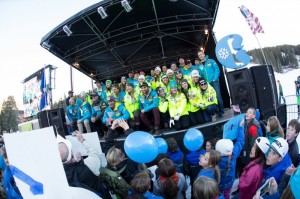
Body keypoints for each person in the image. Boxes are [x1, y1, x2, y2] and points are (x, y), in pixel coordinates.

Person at [58, 132, 109, 198]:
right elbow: (95, 155)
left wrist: (79, 162)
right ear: (71, 155)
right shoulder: (87, 166)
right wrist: (82, 140)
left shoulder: (60, 177)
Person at [216, 124, 245, 199]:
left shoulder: (216, 161)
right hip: (230, 183)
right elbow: (241, 141)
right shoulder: (233, 154)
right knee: (227, 195)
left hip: (219, 186)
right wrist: (241, 127)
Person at [198, 50, 224, 117]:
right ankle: (217, 112)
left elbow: (217, 69)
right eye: (199, 55)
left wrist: (215, 78)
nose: (200, 56)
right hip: (207, 84)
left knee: (218, 97)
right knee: (211, 98)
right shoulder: (199, 66)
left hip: (214, 82)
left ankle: (221, 112)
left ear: (204, 54)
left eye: (201, 54)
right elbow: (201, 75)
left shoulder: (211, 61)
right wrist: (203, 83)